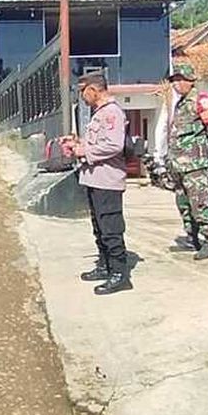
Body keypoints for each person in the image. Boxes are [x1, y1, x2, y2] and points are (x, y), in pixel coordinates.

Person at [64, 72, 132, 294]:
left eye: (83, 92)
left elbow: (113, 145)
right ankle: (104, 265)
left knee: (111, 228)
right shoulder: (99, 114)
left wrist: (84, 150)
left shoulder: (111, 113)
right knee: (99, 226)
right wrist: (77, 143)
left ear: (93, 90)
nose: (82, 97)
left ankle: (120, 274)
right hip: (95, 178)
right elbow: (99, 142)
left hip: (107, 180)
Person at [164, 63, 208, 260]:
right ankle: (192, 237)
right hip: (179, 165)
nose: (176, 84)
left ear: (190, 81)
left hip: (196, 165)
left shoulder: (199, 100)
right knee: (184, 203)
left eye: (180, 80)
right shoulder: (180, 103)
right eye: (174, 81)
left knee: (200, 202)